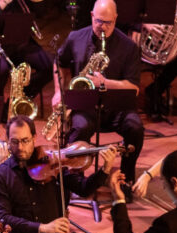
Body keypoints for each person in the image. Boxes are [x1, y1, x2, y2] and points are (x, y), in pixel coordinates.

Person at [53, 0, 143, 200]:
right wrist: (59, 92)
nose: (103, 27)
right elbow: (59, 63)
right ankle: (74, 180)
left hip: (118, 110)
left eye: (109, 23)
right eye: (99, 21)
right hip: (85, 108)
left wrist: (105, 82)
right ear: (92, 15)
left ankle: (125, 179)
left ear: (116, 19)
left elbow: (134, 88)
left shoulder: (128, 47)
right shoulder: (76, 38)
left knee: (135, 128)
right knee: (79, 129)